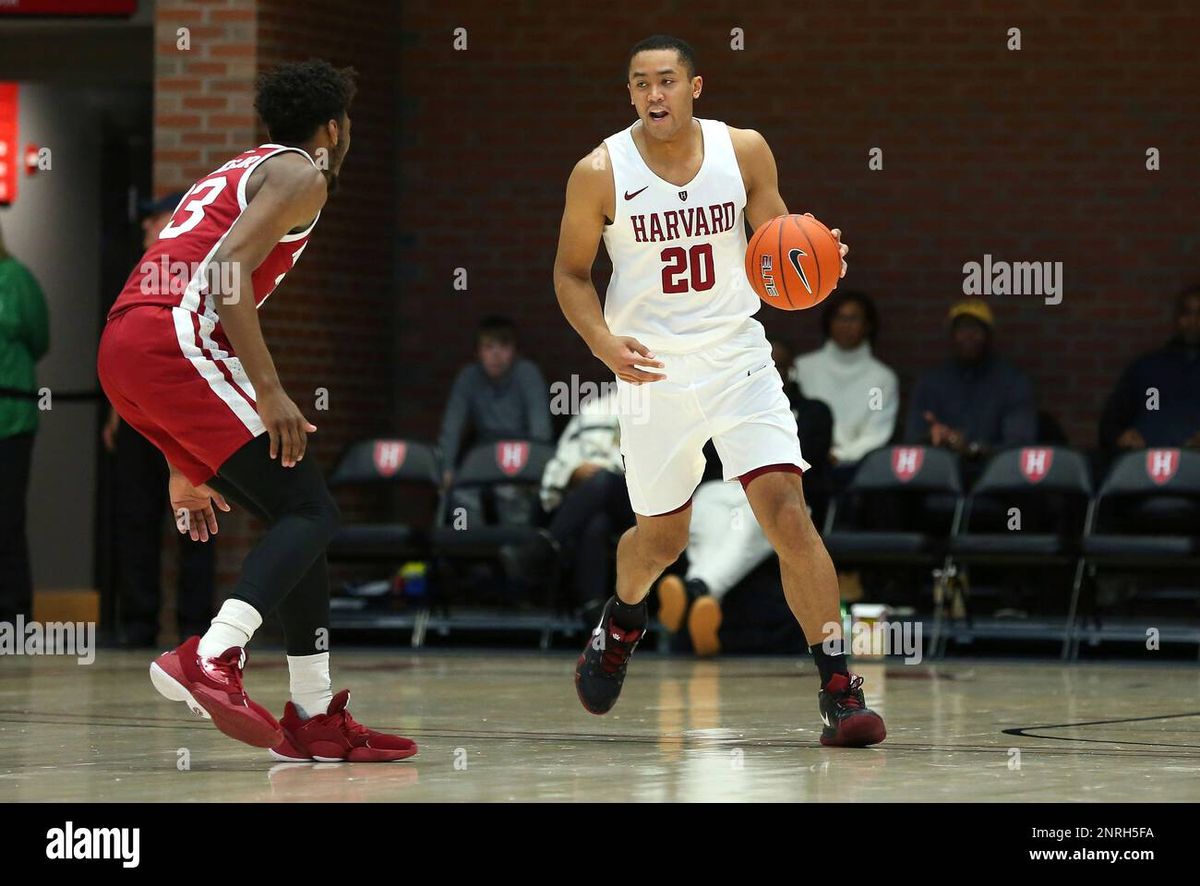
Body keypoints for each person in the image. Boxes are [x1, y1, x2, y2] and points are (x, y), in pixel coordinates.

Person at [552, 34, 885, 746]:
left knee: (787, 513)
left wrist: (816, 257)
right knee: (661, 540)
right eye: (640, 84)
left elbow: (776, 240)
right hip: (651, 371)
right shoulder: (600, 170)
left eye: (667, 81)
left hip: (738, 357)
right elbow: (571, 275)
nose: (654, 95)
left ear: (695, 87)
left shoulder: (746, 150)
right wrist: (602, 344)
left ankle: (839, 688)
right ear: (631, 94)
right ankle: (623, 619)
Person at [97, 60, 414, 761]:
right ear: (334, 127)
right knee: (314, 512)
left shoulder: (246, 166)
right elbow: (228, 272)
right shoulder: (304, 172)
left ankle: (311, 712)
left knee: (302, 510)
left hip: (128, 344)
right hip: (175, 341)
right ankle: (213, 654)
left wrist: (184, 462)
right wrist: (269, 389)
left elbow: (182, 261)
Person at [655, 336, 832, 657]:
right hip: (723, 490)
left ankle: (696, 588)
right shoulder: (725, 408)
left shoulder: (814, 411)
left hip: (779, 495)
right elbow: (707, 458)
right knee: (705, 516)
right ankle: (701, 597)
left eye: (777, 364)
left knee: (755, 521)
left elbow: (810, 462)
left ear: (792, 370)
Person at [102, 192, 217, 648]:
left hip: (185, 410)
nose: (146, 228)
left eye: (154, 219)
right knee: (135, 514)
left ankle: (195, 625)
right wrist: (117, 411)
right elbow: (128, 342)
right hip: (137, 411)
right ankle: (138, 622)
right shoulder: (137, 271)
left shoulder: (198, 267)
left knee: (197, 512)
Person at [537, 388, 633, 622]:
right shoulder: (593, 410)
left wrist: (609, 471)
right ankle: (594, 613)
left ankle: (548, 545)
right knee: (596, 525)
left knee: (603, 480)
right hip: (593, 501)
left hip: (637, 503)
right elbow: (563, 458)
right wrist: (574, 472)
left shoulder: (662, 409)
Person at [903, 298, 1036, 459]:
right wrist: (930, 437)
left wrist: (971, 448)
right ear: (951, 336)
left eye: (976, 329)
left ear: (989, 336)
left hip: (994, 475)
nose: (969, 336)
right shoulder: (930, 381)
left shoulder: (1013, 382)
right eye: (962, 329)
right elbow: (911, 440)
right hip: (939, 473)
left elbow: (1019, 444)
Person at [0, 217, 49, 625]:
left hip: (12, 419)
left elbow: (40, 339)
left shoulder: (16, 278)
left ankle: (13, 614)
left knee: (7, 515)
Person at [437, 315, 552, 488]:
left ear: (516, 351)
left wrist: (535, 468)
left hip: (522, 456)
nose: (496, 354)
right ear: (477, 353)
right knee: (462, 492)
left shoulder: (527, 373)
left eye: (504, 346)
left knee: (509, 494)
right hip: (483, 456)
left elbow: (541, 431)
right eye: (488, 347)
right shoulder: (468, 377)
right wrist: (446, 468)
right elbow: (452, 427)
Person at [793, 290, 898, 474]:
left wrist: (841, 455)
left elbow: (876, 433)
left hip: (856, 470)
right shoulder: (803, 368)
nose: (845, 325)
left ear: (867, 326)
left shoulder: (882, 379)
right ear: (829, 322)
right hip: (803, 464)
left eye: (853, 319)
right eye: (840, 318)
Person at [1099, 285, 1200, 454]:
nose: (1193, 321)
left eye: (1199, 314)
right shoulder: (1146, 367)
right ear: (1176, 319)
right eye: (1186, 313)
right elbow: (1110, 425)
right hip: (1146, 467)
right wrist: (1122, 437)